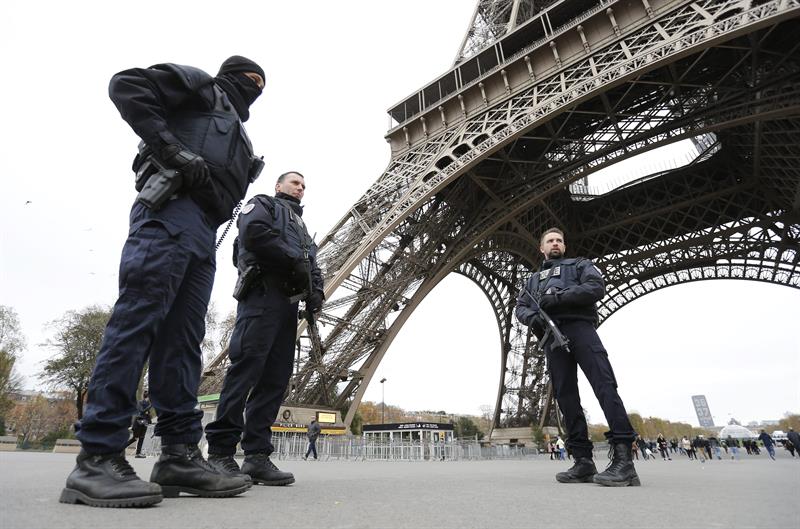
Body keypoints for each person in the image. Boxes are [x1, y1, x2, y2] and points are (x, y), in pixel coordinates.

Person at [60, 56, 265, 508]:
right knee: (138, 322)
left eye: (260, 85)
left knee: (184, 343)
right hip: (170, 212)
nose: (254, 88)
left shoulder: (240, 134)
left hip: (203, 233)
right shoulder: (201, 87)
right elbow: (127, 85)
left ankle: (179, 453)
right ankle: (97, 456)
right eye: (248, 80)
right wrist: (171, 149)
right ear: (228, 75)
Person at [204, 171, 324, 486]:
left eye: (303, 184)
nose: (300, 187)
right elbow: (254, 233)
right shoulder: (262, 205)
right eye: (295, 182)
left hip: (288, 304)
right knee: (245, 370)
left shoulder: (302, 228)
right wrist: (294, 260)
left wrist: (317, 292)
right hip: (262, 296)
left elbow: (313, 263)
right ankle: (220, 451)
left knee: (274, 379)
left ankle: (256, 456)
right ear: (278, 185)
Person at [515, 228, 639, 486]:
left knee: (604, 385)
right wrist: (535, 317)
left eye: (559, 240)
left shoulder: (581, 265)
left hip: (580, 329)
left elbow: (596, 287)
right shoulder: (532, 280)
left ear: (565, 245)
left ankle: (624, 461)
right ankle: (583, 460)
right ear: (542, 248)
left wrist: (557, 298)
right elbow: (521, 308)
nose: (555, 243)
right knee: (565, 396)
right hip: (552, 335)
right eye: (550, 241)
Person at [126, 390, 152, 458]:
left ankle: (138, 453)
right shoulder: (140, 402)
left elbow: (147, 414)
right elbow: (142, 411)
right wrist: (150, 406)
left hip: (144, 422)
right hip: (138, 422)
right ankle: (120, 448)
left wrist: (149, 420)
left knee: (142, 438)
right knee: (135, 438)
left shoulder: (148, 403)